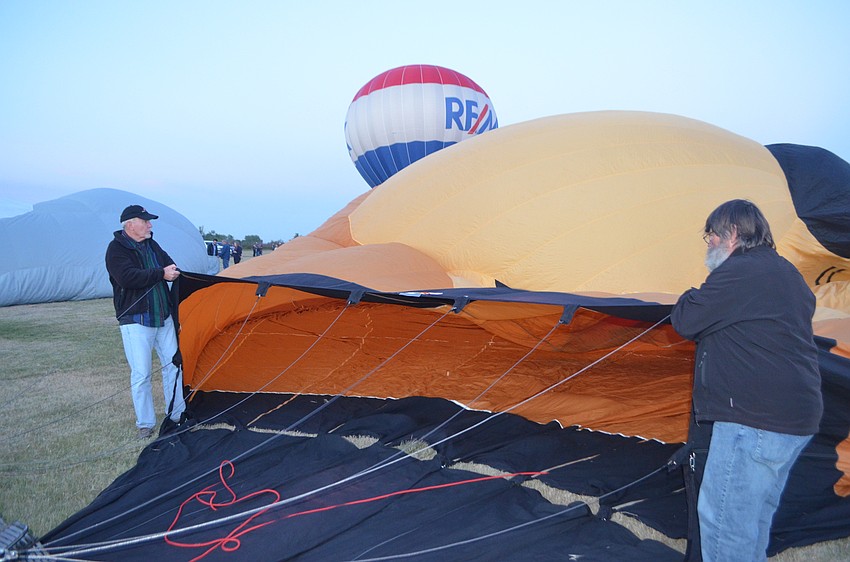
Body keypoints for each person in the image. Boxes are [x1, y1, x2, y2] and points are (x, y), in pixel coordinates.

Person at [670, 199, 823, 562]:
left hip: (753, 423)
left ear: (733, 233)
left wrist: (690, 292)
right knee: (753, 522)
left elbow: (687, 320)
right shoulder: (787, 273)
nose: (708, 245)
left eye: (711, 236)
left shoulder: (740, 272)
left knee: (725, 528)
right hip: (795, 421)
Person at [105, 205, 187, 439]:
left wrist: (170, 271)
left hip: (163, 316)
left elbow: (170, 265)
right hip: (136, 320)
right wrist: (160, 274)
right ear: (130, 225)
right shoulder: (116, 249)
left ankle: (177, 414)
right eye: (146, 221)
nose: (150, 225)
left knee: (174, 365)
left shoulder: (152, 244)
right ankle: (145, 423)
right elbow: (127, 277)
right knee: (141, 373)